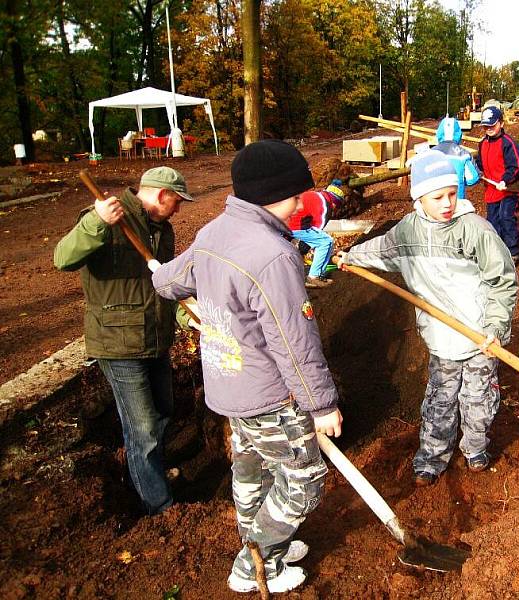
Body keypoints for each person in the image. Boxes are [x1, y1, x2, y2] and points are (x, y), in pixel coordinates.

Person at [151, 140, 343, 595]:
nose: (301, 204)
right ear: (274, 194)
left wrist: (159, 271)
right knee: (304, 479)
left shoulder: (215, 232)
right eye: (297, 194)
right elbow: (294, 342)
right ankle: (256, 560)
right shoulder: (272, 255)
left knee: (251, 467)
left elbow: (170, 282)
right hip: (269, 394)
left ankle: (262, 543)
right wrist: (321, 405)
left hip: (228, 388)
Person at [339, 150, 517, 486]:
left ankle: (476, 449)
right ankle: (431, 459)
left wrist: (495, 326)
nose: (447, 203)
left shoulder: (474, 230)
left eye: (452, 193)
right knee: (440, 402)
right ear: (419, 197)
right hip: (441, 339)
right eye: (438, 197)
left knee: (479, 402)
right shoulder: (408, 231)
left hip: (481, 338)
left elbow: (502, 280)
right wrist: (353, 256)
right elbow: (383, 250)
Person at [54, 166, 194, 516]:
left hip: (155, 337)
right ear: (162, 195)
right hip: (118, 342)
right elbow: (62, 259)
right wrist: (96, 223)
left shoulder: (163, 228)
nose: (178, 209)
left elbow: (160, 282)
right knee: (143, 428)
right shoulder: (104, 216)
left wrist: (186, 315)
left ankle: (146, 477)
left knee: (162, 414)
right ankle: (159, 507)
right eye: (176, 202)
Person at [474, 106, 519, 262]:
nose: (489, 128)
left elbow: (515, 165)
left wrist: (505, 179)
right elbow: (480, 163)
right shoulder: (483, 144)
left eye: (492, 125)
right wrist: (477, 171)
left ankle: (513, 251)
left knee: (506, 216)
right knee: (493, 221)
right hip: (492, 189)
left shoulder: (508, 143)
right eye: (486, 126)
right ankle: (497, 249)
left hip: (510, 188)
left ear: (501, 124)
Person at [288, 179, 345, 288]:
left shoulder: (316, 195)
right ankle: (314, 276)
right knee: (326, 242)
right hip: (295, 224)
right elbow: (318, 229)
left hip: (285, 218)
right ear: (334, 203)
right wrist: (304, 248)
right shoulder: (325, 206)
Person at [432, 117, 480, 200]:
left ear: (439, 132)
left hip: (436, 202)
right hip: (457, 201)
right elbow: (472, 178)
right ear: (458, 134)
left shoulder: (431, 153)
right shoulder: (464, 154)